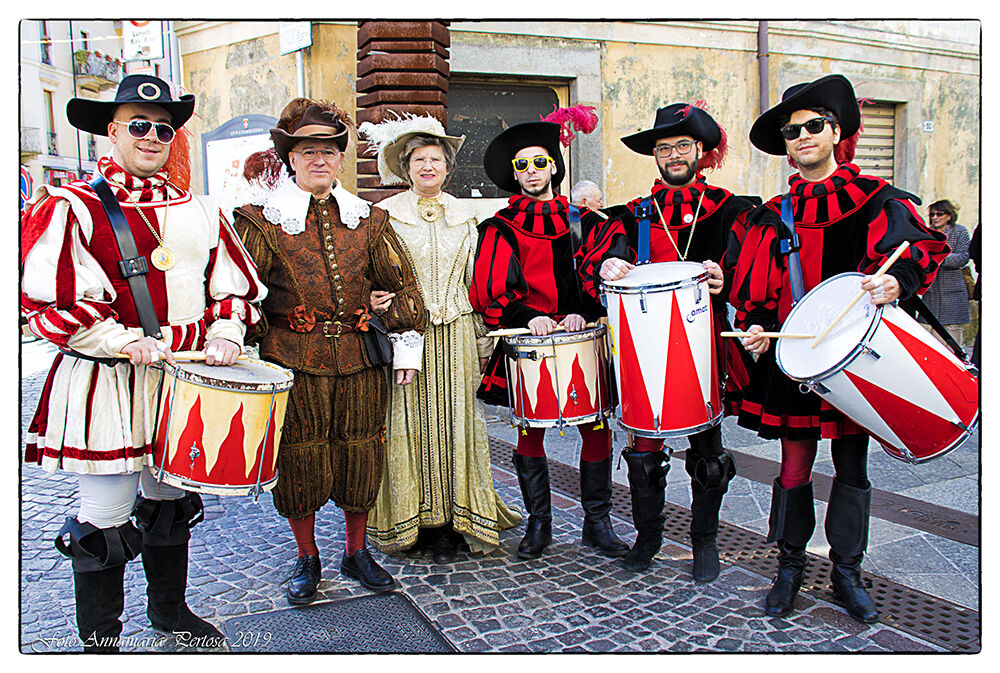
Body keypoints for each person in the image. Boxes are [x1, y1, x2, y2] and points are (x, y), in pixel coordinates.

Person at [21, 74, 267, 651]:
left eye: (163, 128)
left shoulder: (201, 208)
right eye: (139, 125)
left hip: (183, 376)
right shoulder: (70, 206)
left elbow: (230, 288)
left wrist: (228, 331)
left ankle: (171, 613)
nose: (152, 136)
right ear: (111, 132)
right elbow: (49, 300)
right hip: (106, 379)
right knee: (104, 511)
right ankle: (102, 638)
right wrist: (118, 340)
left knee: (167, 501)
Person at [731, 74, 948, 623]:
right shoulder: (770, 214)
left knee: (852, 467)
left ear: (837, 132)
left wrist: (898, 283)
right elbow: (757, 289)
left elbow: (918, 250)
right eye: (791, 130)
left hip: (857, 359)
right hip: (796, 358)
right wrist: (756, 326)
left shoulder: (878, 200)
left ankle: (847, 572)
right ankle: (789, 569)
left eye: (813, 125)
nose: (801, 136)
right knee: (794, 467)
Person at [232, 99, 426, 603]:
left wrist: (405, 346)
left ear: (341, 159)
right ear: (290, 159)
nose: (320, 160)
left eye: (330, 151)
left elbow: (402, 286)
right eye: (308, 151)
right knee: (299, 460)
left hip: (360, 359)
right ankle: (306, 556)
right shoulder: (260, 220)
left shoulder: (370, 220)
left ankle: (355, 551)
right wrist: (242, 351)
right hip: (291, 361)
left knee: (361, 454)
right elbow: (238, 292)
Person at [595, 103, 757, 581]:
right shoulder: (632, 216)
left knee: (708, 454)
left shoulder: (732, 210)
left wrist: (726, 276)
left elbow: (753, 269)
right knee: (643, 456)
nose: (672, 155)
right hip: (641, 351)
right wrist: (607, 268)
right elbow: (604, 269)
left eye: (682, 145)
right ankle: (648, 537)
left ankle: (704, 542)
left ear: (701, 151)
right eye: (663, 148)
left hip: (703, 345)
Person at [359, 114, 521, 563]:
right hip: (408, 336)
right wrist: (371, 298)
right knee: (407, 424)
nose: (427, 167)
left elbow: (481, 277)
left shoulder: (470, 216)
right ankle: (415, 520)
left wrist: (488, 333)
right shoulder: (384, 217)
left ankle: (457, 517)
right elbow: (370, 272)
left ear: (448, 168)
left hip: (459, 333)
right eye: (418, 160)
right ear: (406, 168)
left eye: (435, 160)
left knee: (458, 421)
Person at [469, 119, 628, 561]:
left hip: (581, 335)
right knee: (530, 429)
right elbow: (491, 287)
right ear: (515, 175)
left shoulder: (588, 220)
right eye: (523, 165)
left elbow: (608, 266)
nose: (532, 170)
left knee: (595, 427)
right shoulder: (499, 226)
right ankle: (540, 524)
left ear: (554, 166)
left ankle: (598, 523)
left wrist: (588, 308)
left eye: (540, 161)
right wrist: (529, 316)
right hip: (529, 339)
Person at [918, 200, 971, 349]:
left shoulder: (960, 231)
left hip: (953, 291)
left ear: (949, 216)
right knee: (933, 337)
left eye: (939, 214)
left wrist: (940, 257)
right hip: (932, 291)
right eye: (932, 214)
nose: (935, 217)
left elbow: (963, 258)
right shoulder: (927, 233)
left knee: (954, 337)